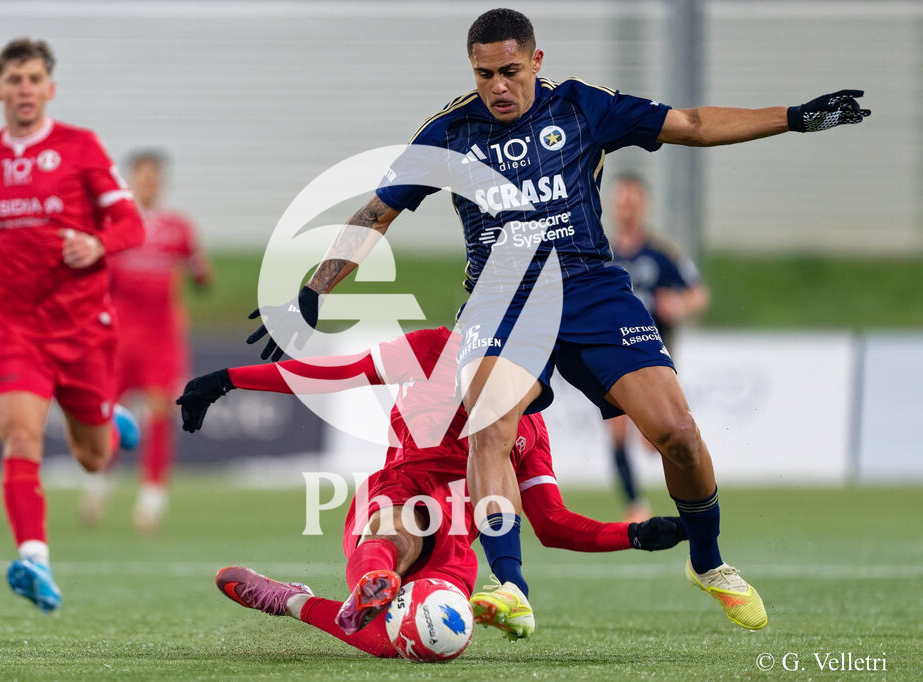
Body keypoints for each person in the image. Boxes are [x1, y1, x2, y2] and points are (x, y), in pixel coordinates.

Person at [244, 8, 869, 634]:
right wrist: (314, 290)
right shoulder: (449, 133)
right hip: (503, 297)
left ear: (536, 62)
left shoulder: (581, 107)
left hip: (594, 289)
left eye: (510, 71)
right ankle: (510, 587)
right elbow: (378, 212)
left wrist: (795, 118)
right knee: (490, 425)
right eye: (485, 74)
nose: (498, 87)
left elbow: (694, 124)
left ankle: (708, 562)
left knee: (675, 432)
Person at [177, 325, 686, 651]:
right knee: (397, 529)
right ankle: (373, 579)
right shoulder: (436, 348)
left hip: (459, 537)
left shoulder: (531, 429)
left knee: (406, 642)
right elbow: (338, 373)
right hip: (403, 490)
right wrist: (229, 379)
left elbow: (551, 523)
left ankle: (291, 601)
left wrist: (634, 535)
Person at [0, 38, 144, 612]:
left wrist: (97, 243)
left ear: (49, 89)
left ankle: (109, 422)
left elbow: (130, 225)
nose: (24, 89)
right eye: (14, 79)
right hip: (13, 328)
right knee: (20, 435)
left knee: (94, 457)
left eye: (34, 79)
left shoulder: (80, 147)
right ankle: (34, 557)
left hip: (84, 327)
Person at [79, 150, 211, 532]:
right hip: (117, 336)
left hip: (161, 337)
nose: (149, 183)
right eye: (142, 176)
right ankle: (97, 484)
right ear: (130, 181)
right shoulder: (113, 224)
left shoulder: (178, 228)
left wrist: (201, 272)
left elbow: (201, 273)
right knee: (107, 414)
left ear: (162, 182)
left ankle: (151, 500)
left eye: (155, 176)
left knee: (158, 413)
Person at [607, 173, 709, 523]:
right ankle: (635, 505)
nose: (627, 207)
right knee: (617, 429)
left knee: (662, 436)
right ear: (613, 206)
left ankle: (690, 499)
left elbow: (698, 293)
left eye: (633, 200)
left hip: (653, 356)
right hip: (612, 355)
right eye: (622, 200)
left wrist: (678, 305)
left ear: (644, 205)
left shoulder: (662, 255)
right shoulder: (600, 254)